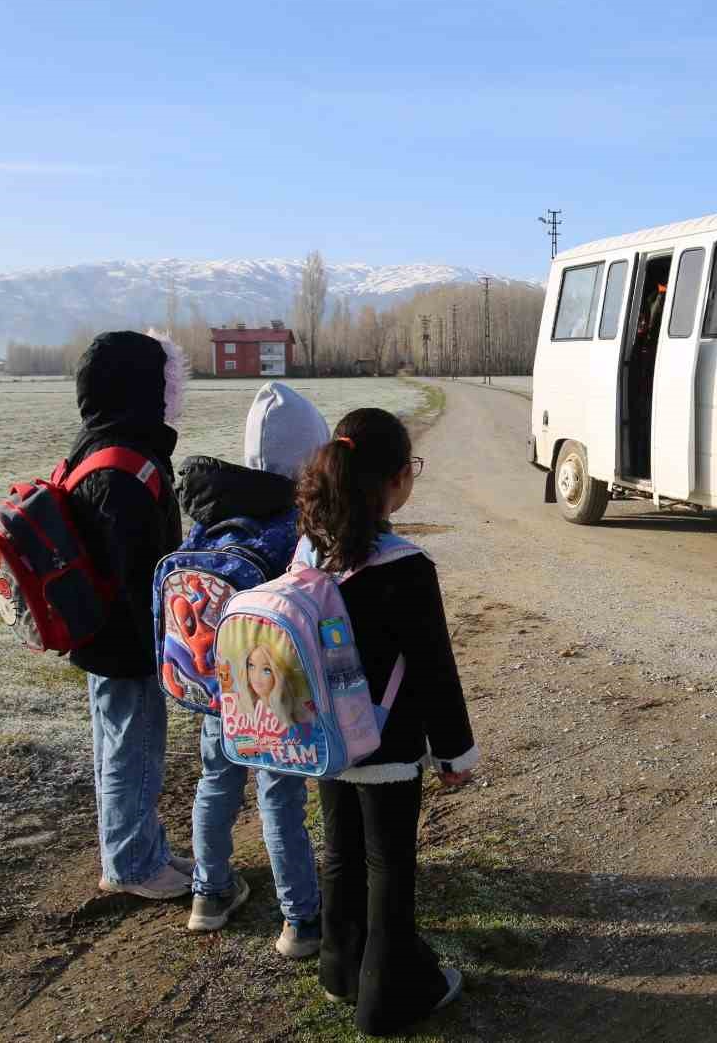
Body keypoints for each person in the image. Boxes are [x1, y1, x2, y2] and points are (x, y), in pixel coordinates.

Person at [293, 407, 479, 1036]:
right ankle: (388, 1000)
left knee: (340, 853)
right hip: (387, 744)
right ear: (396, 478)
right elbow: (433, 671)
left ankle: (340, 969)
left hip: (325, 738)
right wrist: (453, 754)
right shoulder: (406, 565)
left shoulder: (308, 551)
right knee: (389, 866)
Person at [175, 381, 330, 957]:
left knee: (214, 782)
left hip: (214, 688)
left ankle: (209, 894)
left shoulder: (212, 517)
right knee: (279, 796)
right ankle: (301, 920)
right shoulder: (293, 527)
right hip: (269, 694)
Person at [68, 329, 192, 899]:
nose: (172, 395)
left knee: (117, 748)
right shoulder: (124, 466)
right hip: (127, 644)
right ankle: (133, 865)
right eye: (166, 383)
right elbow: (138, 571)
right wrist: (163, 652)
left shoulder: (98, 446)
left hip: (102, 636)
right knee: (132, 752)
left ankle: (134, 848)